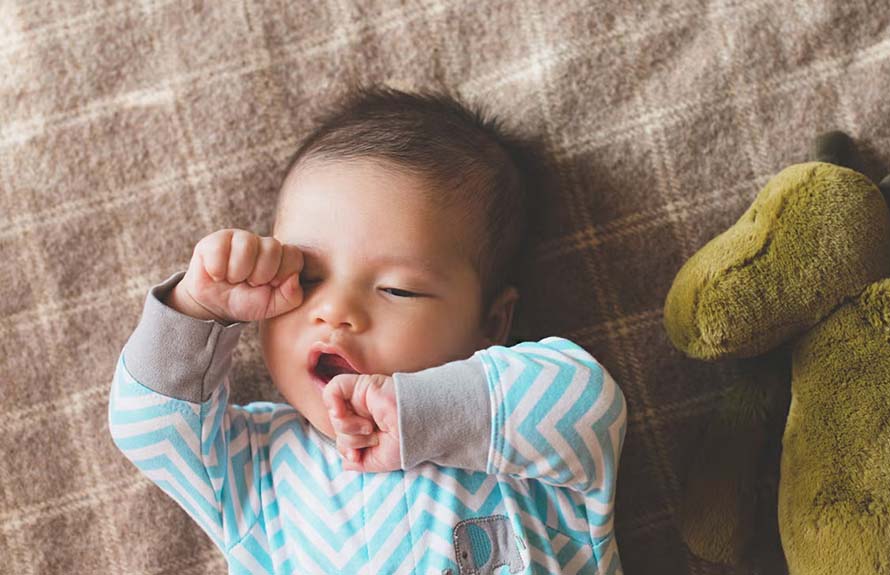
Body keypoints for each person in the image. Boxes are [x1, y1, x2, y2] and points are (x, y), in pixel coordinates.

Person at [108, 86, 627, 574]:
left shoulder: (517, 439)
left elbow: (589, 402)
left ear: (490, 324)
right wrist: (198, 308)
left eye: (398, 289)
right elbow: (152, 430)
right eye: (307, 278)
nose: (336, 311)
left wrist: (421, 413)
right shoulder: (261, 468)